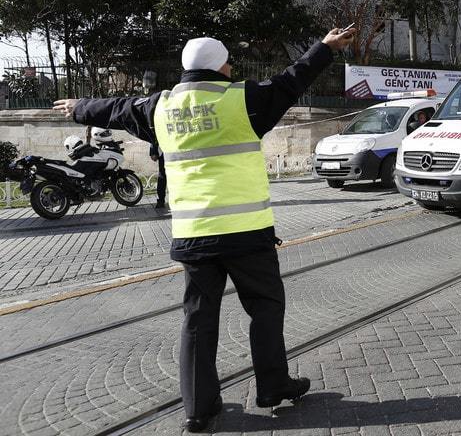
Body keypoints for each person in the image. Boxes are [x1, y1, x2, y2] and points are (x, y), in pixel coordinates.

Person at [53, 27, 355, 433]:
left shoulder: (159, 106)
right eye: (228, 61)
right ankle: (272, 386)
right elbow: (293, 78)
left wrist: (78, 108)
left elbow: (117, 108)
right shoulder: (245, 98)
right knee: (265, 308)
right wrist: (325, 48)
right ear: (219, 65)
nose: (232, 66)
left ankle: (198, 407)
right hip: (247, 232)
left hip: (193, 235)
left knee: (198, 319)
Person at [149, 142, 167, 209]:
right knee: (162, 176)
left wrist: (153, 152)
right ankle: (161, 200)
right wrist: (153, 151)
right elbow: (153, 136)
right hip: (166, 153)